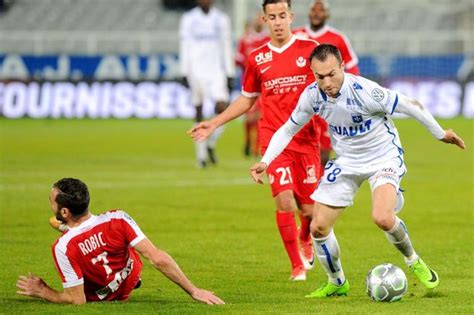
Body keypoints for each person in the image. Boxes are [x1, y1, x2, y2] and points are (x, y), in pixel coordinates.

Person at [250, 44, 465, 297]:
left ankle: (413, 260)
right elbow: (288, 128)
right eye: (320, 77)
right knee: (317, 228)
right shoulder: (312, 96)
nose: (327, 82)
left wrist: (440, 133)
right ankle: (337, 282)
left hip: (382, 156)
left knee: (383, 217)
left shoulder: (365, 90)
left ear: (342, 67)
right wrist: (266, 160)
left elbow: (410, 104)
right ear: (313, 74)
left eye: (332, 74)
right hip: (347, 161)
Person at [189, 0, 321, 281]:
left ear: (291, 17)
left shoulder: (310, 51)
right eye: (272, 16)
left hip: (308, 139)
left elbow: (328, 88)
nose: (277, 21)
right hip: (274, 140)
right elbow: (247, 99)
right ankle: (296, 264)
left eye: (282, 16)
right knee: (284, 201)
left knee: (309, 210)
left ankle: (305, 236)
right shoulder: (257, 58)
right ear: (264, 19)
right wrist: (214, 122)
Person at [16, 178, 225, 305]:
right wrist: (194, 290)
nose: (49, 201)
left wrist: (43, 291)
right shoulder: (118, 218)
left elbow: (76, 300)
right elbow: (158, 258)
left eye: (51, 200)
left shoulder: (62, 246)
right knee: (126, 247)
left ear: (64, 211)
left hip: (101, 295)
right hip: (130, 278)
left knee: (75, 253)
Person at [293, 0, 361, 173]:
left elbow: (352, 68)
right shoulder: (296, 36)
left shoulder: (337, 38)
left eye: (321, 10)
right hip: (300, 102)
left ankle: (318, 190)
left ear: (327, 14)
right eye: (313, 10)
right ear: (309, 13)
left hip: (327, 103)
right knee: (296, 150)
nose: (317, 13)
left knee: (323, 154)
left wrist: (349, 93)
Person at [179, 0, 235, 168]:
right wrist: (184, 71)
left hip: (216, 70)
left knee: (223, 107)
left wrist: (229, 72)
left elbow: (226, 45)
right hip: (195, 70)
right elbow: (184, 45)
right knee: (199, 110)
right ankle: (201, 157)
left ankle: (210, 142)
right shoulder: (188, 19)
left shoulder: (221, 19)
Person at [235, 13, 269, 158]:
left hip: (266, 83)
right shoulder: (245, 40)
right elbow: (238, 59)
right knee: (249, 117)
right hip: (249, 82)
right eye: (257, 18)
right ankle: (248, 142)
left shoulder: (269, 39)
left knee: (261, 116)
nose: (258, 21)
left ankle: (257, 147)